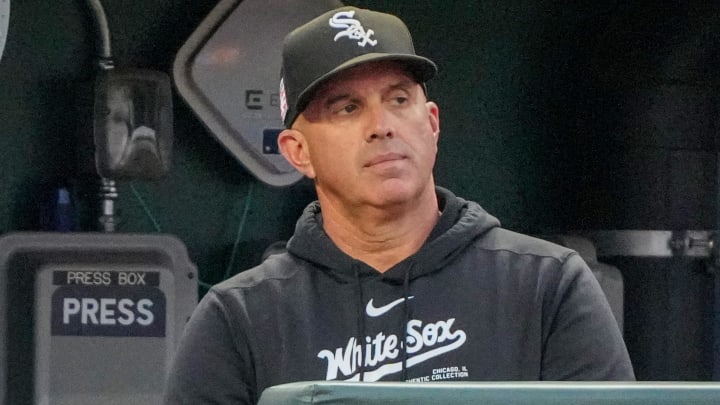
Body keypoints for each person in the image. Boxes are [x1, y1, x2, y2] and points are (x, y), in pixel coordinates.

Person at [164, 6, 635, 404]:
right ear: (297, 152)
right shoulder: (238, 318)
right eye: (347, 107)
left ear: (431, 123)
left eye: (398, 99)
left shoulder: (549, 285)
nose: (381, 125)